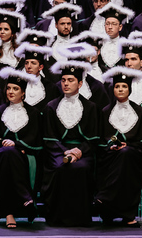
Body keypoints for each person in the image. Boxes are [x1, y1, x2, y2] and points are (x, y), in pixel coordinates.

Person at [40, 61, 100, 227]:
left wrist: (79, 151)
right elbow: (49, 138)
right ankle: (58, 217)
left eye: (70, 80)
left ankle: (80, 217)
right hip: (57, 152)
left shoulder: (91, 107)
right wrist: (65, 152)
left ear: (80, 84)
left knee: (82, 168)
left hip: (83, 153)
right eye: (63, 80)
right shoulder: (51, 107)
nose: (66, 83)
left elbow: (93, 138)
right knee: (60, 167)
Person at [93, 67, 142, 226]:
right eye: (117, 86)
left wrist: (129, 145)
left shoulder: (139, 112)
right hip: (109, 155)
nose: (120, 89)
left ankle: (107, 200)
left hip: (133, 155)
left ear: (129, 89)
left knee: (126, 155)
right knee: (120, 157)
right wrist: (110, 146)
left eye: (124, 86)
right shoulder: (105, 111)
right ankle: (114, 213)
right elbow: (100, 139)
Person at [0, 68, 43, 229]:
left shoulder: (33, 113)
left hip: (23, 157)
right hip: (0, 155)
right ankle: (26, 198)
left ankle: (9, 213)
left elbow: (36, 140)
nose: (10, 92)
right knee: (7, 153)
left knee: (10, 154)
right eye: (9, 88)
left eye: (15, 89)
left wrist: (18, 145)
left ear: (23, 93)